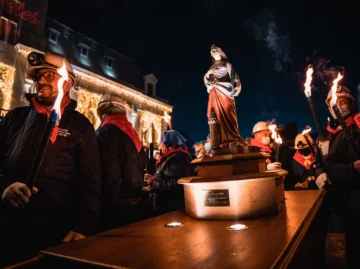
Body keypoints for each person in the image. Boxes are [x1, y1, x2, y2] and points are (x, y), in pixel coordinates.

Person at [0, 52, 101, 266]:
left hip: (55, 233)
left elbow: (91, 181)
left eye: (49, 75)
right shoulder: (14, 118)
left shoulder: (80, 126)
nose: (40, 81)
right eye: (38, 76)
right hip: (9, 227)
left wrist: (83, 225)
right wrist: (4, 186)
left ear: (67, 84)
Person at [96, 93, 146, 230]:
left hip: (116, 208)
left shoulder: (104, 133)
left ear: (101, 113)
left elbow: (109, 176)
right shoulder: (133, 135)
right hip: (136, 203)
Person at [324, 85, 360, 267]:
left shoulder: (357, 128)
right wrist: (318, 173)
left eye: (344, 102)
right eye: (337, 103)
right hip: (339, 198)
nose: (341, 106)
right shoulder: (326, 136)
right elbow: (325, 163)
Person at [204, 44, 243, 150]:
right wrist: (208, 76)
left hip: (225, 91)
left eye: (215, 50)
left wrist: (234, 89)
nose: (213, 52)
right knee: (216, 116)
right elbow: (207, 81)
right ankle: (221, 140)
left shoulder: (227, 64)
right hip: (214, 93)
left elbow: (234, 79)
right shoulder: (211, 68)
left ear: (220, 51)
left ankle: (233, 137)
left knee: (228, 114)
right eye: (212, 51)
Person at [144, 130, 192, 214]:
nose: (160, 145)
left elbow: (178, 184)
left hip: (170, 208)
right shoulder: (170, 157)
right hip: (166, 206)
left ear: (168, 144)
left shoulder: (177, 159)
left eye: (161, 142)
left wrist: (154, 182)